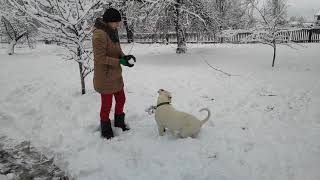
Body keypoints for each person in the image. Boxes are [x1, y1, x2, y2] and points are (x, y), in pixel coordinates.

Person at [92, 8, 136, 139]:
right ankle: (105, 127)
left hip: (115, 75)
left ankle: (119, 122)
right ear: (109, 21)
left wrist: (125, 57)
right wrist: (119, 61)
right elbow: (100, 58)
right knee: (106, 105)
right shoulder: (99, 35)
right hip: (105, 76)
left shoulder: (112, 31)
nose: (118, 25)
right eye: (116, 22)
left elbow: (118, 50)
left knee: (121, 99)